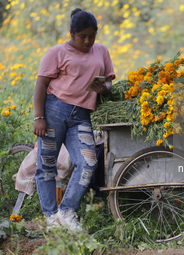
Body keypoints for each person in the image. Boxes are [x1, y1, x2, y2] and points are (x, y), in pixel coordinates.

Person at [33, 8, 115, 231]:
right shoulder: (56, 53)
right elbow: (40, 85)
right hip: (53, 112)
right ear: (71, 33)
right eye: (83, 36)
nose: (88, 41)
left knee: (88, 162)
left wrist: (103, 88)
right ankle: (51, 218)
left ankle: (67, 211)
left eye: (92, 36)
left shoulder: (101, 51)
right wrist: (38, 117)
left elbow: (109, 82)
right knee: (47, 165)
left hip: (81, 116)